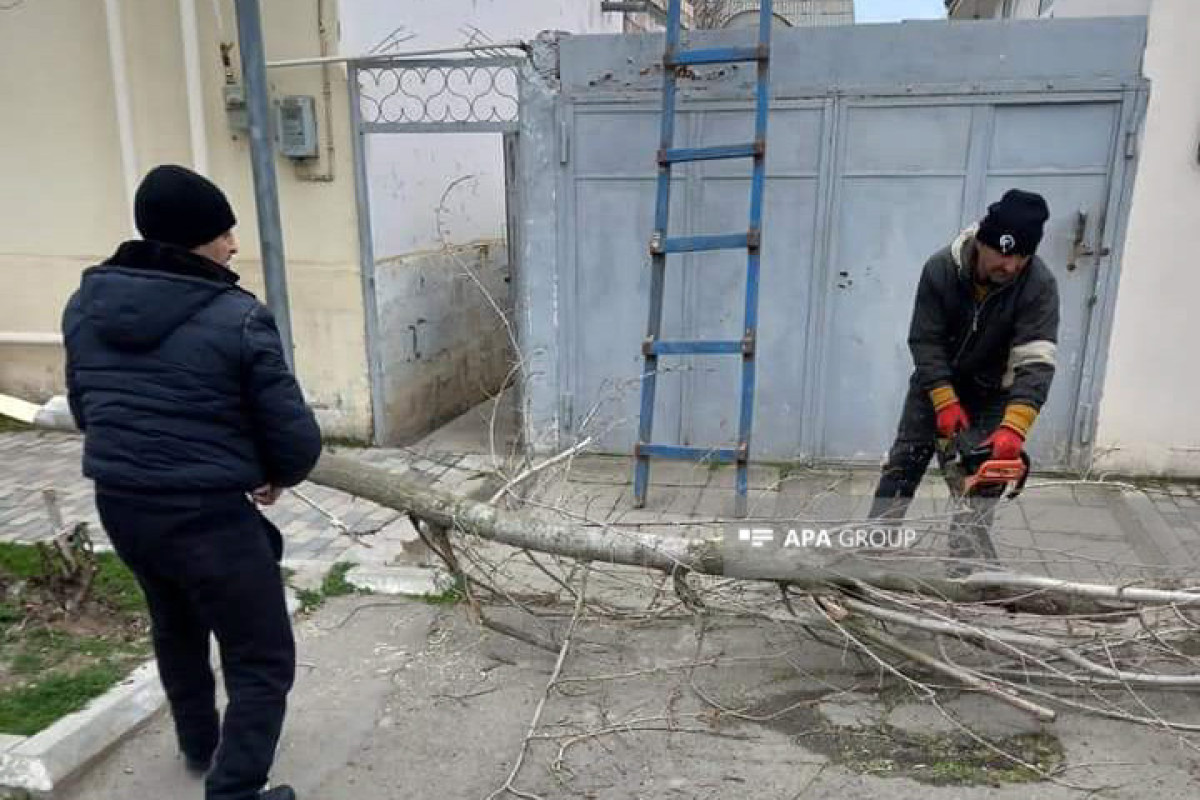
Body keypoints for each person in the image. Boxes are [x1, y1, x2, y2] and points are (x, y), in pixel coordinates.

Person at [61, 164, 322, 800]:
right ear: (195, 240)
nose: (234, 245)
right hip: (206, 517)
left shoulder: (85, 305)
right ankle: (234, 789)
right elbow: (293, 438)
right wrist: (275, 472)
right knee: (261, 654)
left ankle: (201, 743)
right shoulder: (237, 316)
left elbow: (84, 408)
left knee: (176, 624)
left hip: (122, 505)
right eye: (224, 232)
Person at [869, 189, 1059, 572]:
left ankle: (963, 568)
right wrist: (943, 398)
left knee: (982, 482)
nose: (1010, 265)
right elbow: (925, 340)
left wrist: (1013, 428)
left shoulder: (1037, 285)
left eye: (1020, 256)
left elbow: (1035, 360)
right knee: (904, 464)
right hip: (934, 384)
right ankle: (871, 550)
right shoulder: (941, 269)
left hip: (993, 394)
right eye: (1003, 254)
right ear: (982, 243)